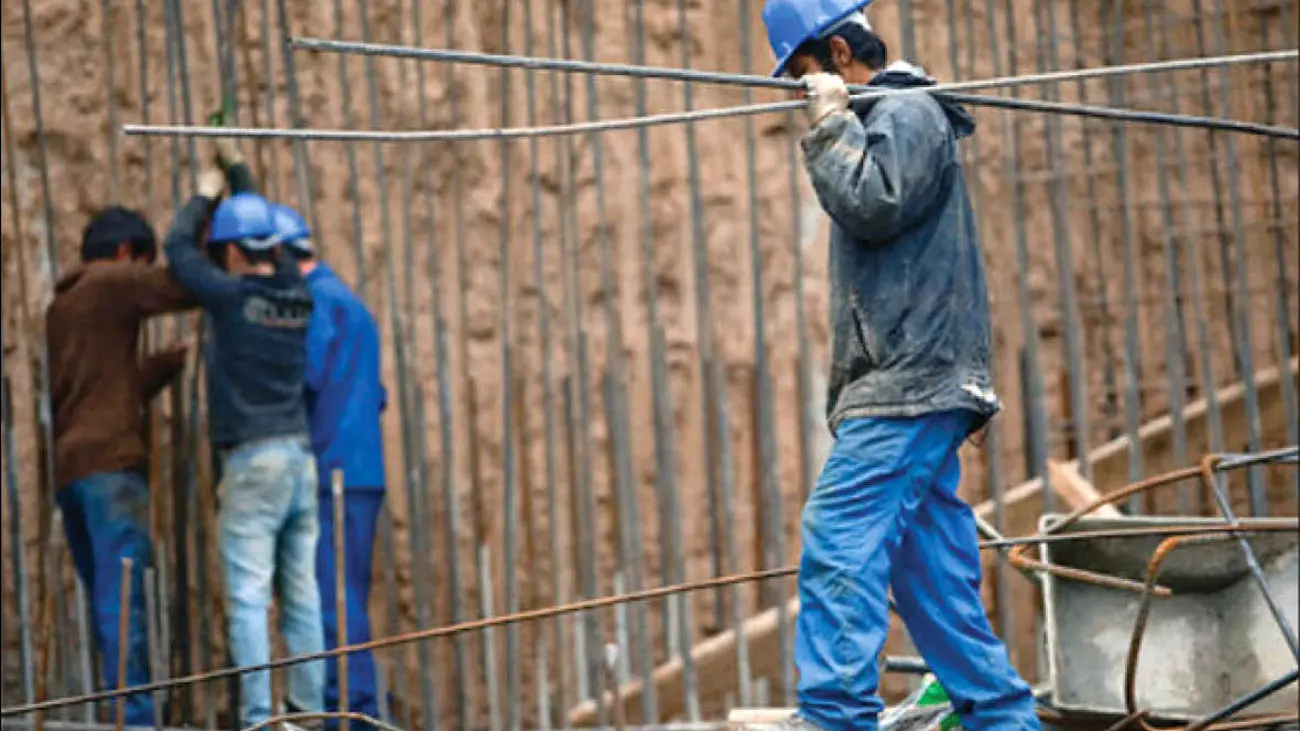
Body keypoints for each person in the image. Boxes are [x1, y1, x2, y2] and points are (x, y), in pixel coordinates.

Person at [760, 1, 1040, 729]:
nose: (802, 92)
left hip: (910, 381)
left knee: (838, 533)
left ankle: (834, 717)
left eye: (804, 75)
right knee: (928, 573)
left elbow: (871, 202)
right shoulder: (888, 115)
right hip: (913, 379)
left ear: (840, 57)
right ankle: (1001, 715)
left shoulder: (909, 110)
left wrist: (828, 125)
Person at [162, 163, 324, 728]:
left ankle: (259, 717)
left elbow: (178, 249)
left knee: (250, 597)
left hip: (253, 460)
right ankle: (307, 711)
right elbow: (268, 242)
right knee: (302, 596)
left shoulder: (229, 298)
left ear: (230, 251)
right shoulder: (297, 294)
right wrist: (241, 174)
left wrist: (205, 193)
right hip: (300, 458)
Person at [46, 206, 194, 726]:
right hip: (110, 468)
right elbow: (183, 287)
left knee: (106, 599)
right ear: (128, 253)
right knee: (123, 598)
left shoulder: (63, 303)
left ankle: (121, 711)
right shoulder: (112, 282)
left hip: (71, 469)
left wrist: (164, 366)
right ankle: (134, 719)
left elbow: (107, 390)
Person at [271, 202, 388, 728]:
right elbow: (376, 394)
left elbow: (305, 373)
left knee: (333, 601)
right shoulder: (352, 303)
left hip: (333, 471)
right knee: (347, 595)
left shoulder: (316, 302)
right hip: (363, 469)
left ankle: (352, 713)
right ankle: (354, 708)